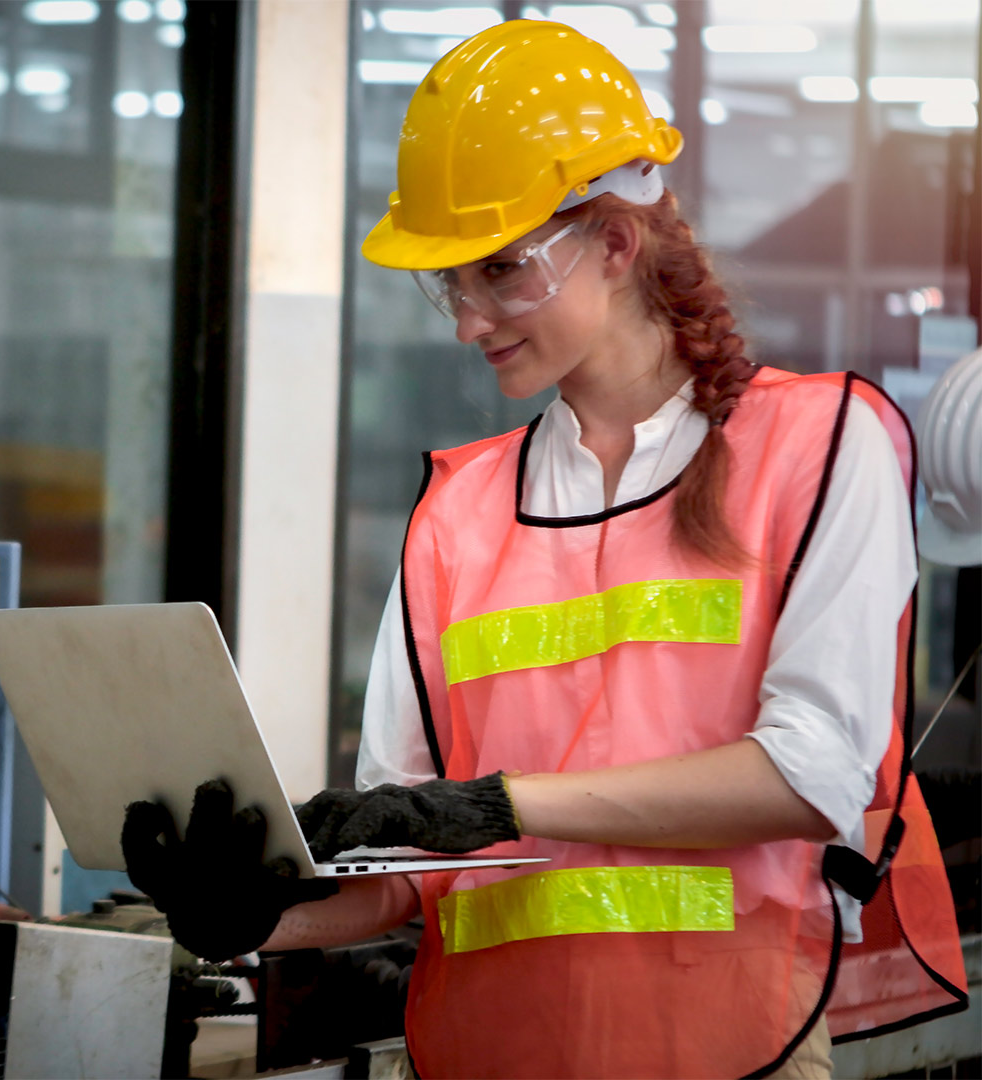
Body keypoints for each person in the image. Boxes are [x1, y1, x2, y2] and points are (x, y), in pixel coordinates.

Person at [122, 20, 967, 1080]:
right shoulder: (457, 512)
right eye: (451, 284)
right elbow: (406, 872)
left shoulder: (823, 445)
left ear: (614, 242)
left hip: (728, 1054)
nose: (468, 320)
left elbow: (808, 775)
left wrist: (498, 803)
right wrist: (250, 916)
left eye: (500, 271)